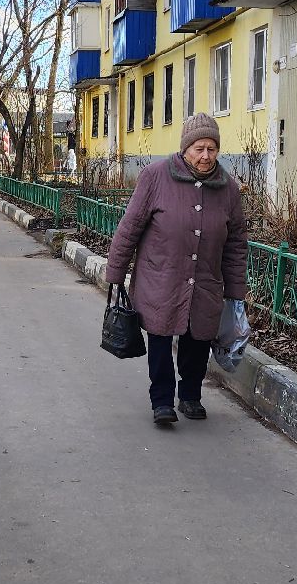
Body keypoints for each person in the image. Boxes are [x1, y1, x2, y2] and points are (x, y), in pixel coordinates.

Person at [105, 113, 247, 425]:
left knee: (198, 340)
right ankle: (162, 401)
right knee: (159, 337)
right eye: (199, 149)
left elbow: (236, 244)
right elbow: (130, 226)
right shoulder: (156, 177)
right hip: (161, 278)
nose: (206, 156)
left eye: (212, 149)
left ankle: (190, 396)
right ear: (185, 149)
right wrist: (115, 273)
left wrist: (236, 291)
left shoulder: (228, 189)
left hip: (206, 281)